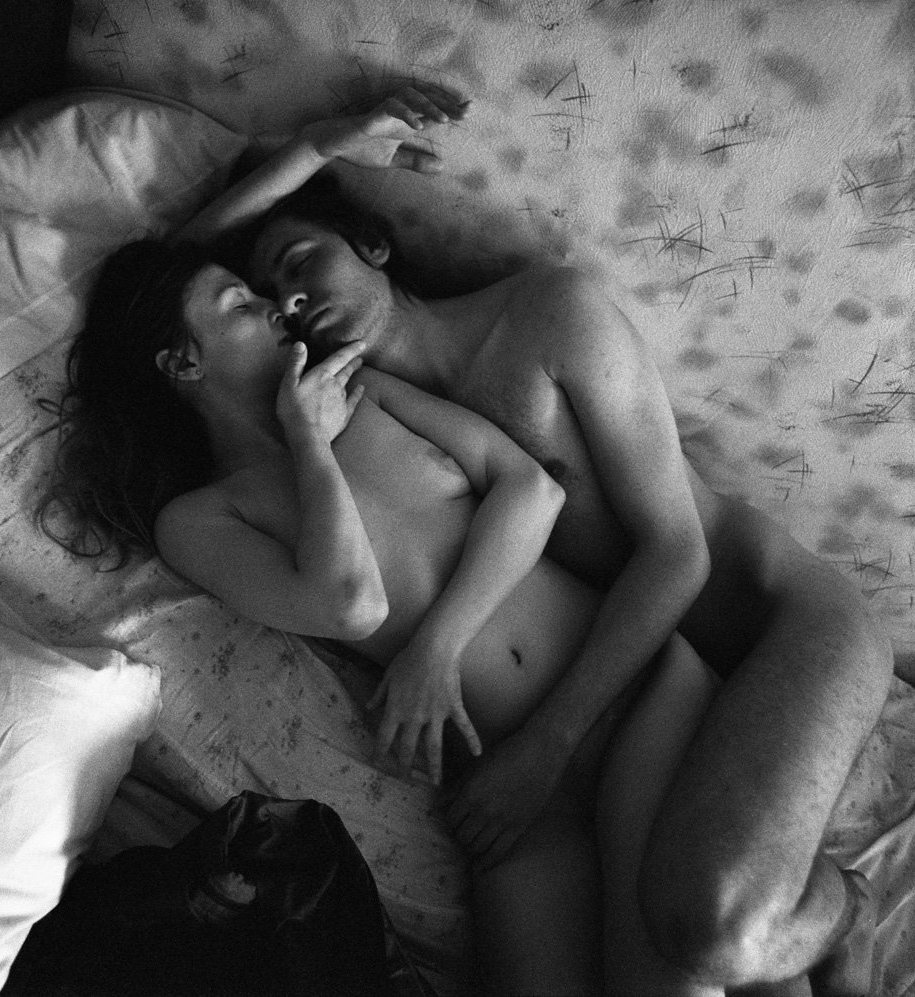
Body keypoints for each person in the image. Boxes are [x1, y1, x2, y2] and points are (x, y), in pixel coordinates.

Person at [188, 84, 895, 994]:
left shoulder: (546, 315)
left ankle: (846, 908)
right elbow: (168, 277)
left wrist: (547, 744)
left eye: (301, 263)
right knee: (696, 924)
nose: (290, 303)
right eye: (272, 303)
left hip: (781, 625)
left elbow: (679, 553)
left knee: (716, 934)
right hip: (657, 677)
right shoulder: (385, 418)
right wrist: (311, 146)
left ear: (373, 246)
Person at [39, 237, 725, 994]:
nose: (273, 307)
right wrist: (307, 441)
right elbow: (350, 603)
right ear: (182, 363)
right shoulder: (201, 519)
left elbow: (532, 490)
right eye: (238, 304)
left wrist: (436, 649)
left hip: (627, 692)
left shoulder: (369, 389)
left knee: (665, 973)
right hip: (510, 793)